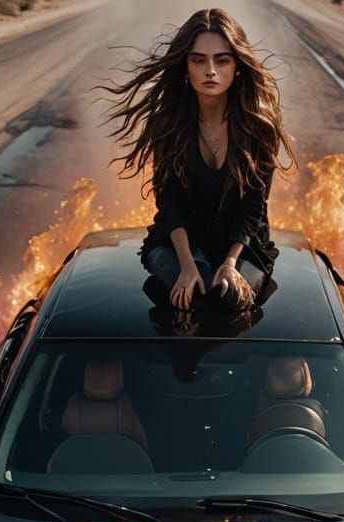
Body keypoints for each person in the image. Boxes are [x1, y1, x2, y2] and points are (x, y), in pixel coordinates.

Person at [96, 8, 297, 311]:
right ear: (185, 66)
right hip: (176, 246)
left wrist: (229, 264)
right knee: (194, 291)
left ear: (237, 66)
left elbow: (253, 208)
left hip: (242, 249)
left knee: (229, 297)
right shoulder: (168, 123)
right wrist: (188, 265)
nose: (210, 70)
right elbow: (170, 204)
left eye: (222, 60)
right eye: (198, 59)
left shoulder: (258, 128)